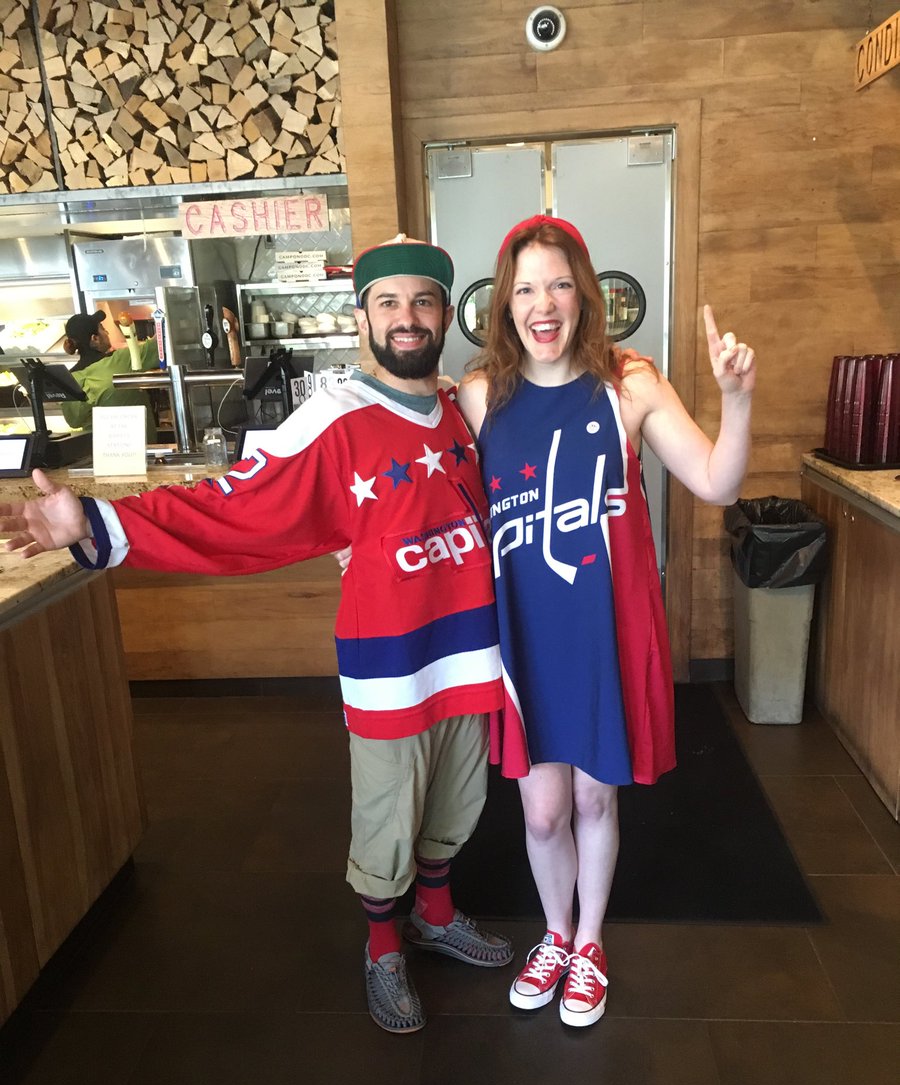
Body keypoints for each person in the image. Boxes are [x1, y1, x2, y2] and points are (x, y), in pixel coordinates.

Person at [0, 236, 513, 1035]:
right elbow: (234, 505)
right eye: (388, 303)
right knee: (389, 814)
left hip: (470, 650)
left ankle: (436, 915)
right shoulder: (335, 419)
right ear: (361, 316)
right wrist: (96, 520)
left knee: (457, 799)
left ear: (446, 313)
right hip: (392, 661)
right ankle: (384, 948)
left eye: (422, 302)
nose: (406, 318)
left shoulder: (457, 409)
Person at [456, 214, 755, 1027]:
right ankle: (552, 934)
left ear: (584, 294)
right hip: (523, 639)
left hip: (603, 636)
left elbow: (718, 482)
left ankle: (589, 942)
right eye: (524, 288)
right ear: (504, 303)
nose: (541, 303)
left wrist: (736, 401)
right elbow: (424, 493)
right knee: (541, 810)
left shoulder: (631, 385)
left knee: (593, 803)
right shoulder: (481, 396)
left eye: (557, 283)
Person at [60, 310, 159, 437]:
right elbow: (159, 346)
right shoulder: (121, 360)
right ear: (95, 339)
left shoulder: (70, 378)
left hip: (100, 449)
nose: (107, 333)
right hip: (138, 446)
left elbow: (73, 422)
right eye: (102, 329)